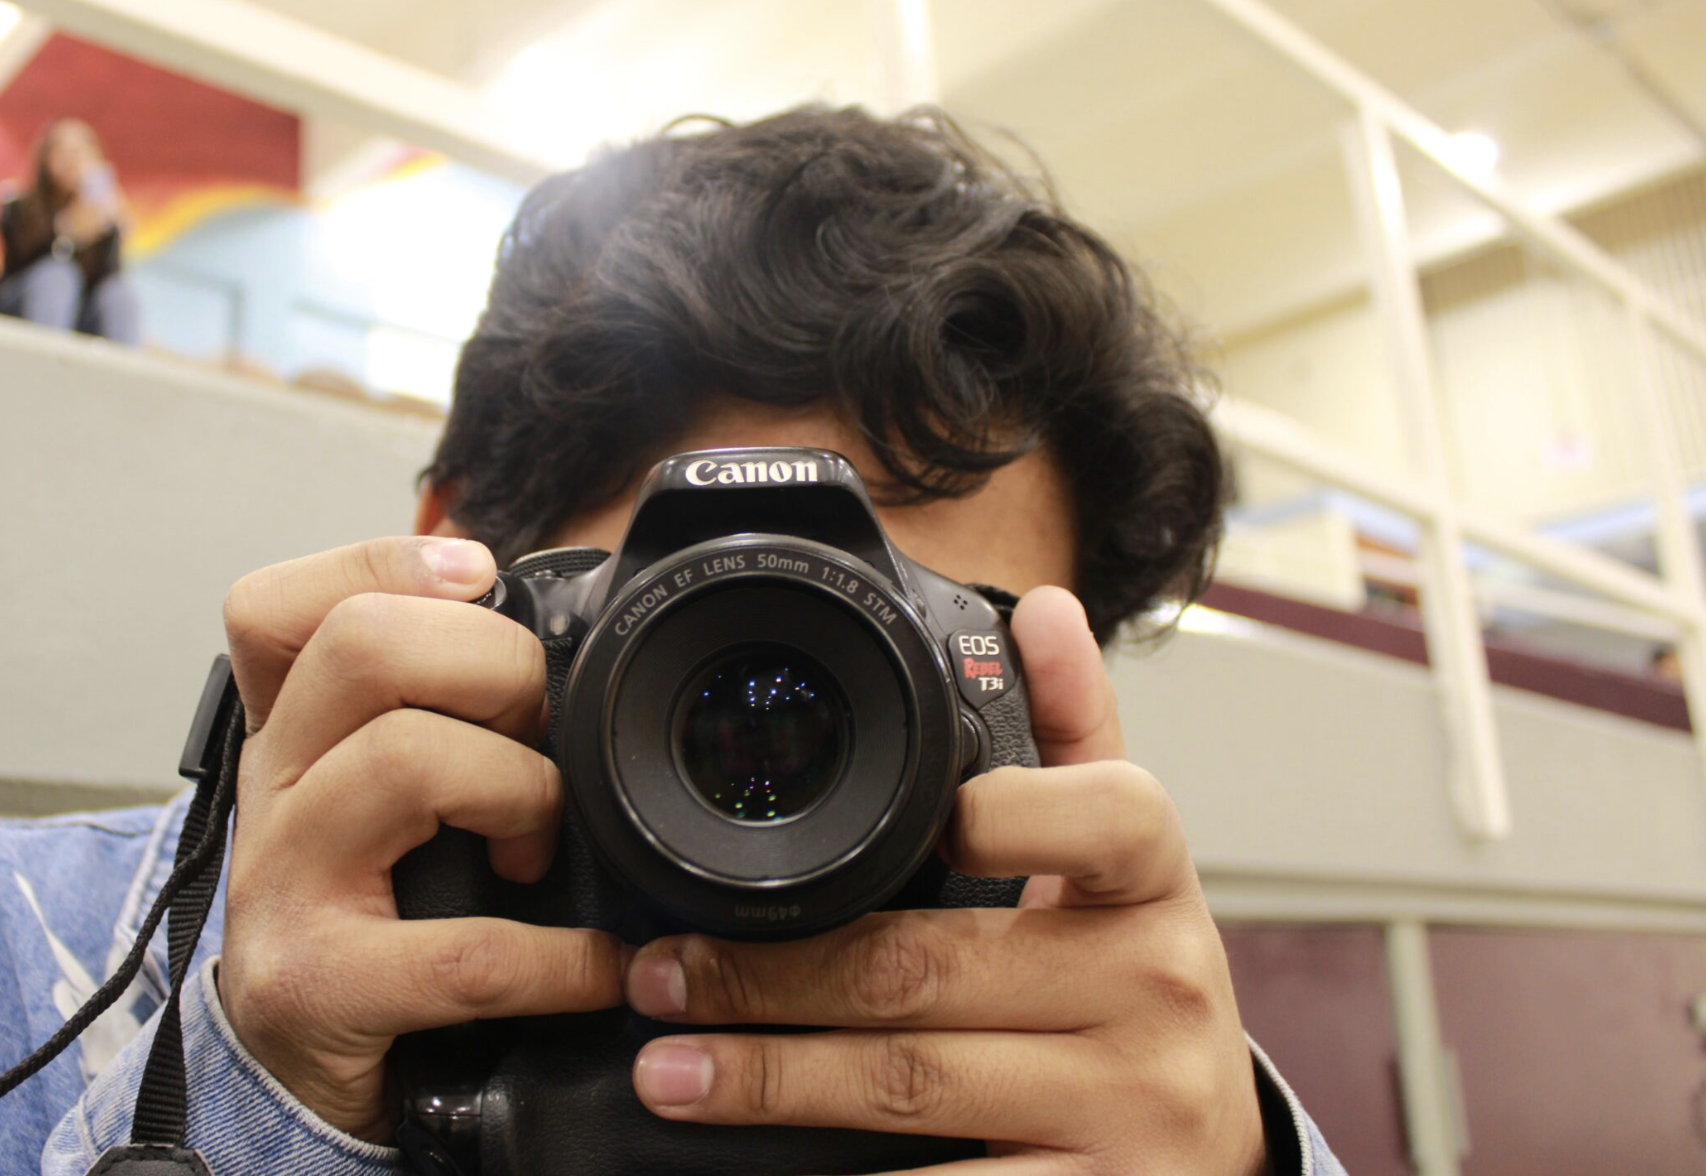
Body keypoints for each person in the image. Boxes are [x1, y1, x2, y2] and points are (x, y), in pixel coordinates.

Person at [0, 107, 1346, 1175]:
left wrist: (1233, 1159)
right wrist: (258, 1109)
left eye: (931, 652)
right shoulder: (27, 954)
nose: (786, 771)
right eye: (689, 620)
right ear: (449, 568)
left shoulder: (1098, 1072)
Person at [0, 119, 141, 346]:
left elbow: (107, 277)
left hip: (78, 317)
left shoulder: (102, 212)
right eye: (62, 150)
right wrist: (67, 233)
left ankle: (125, 376)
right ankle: (44, 366)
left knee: (119, 296)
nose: (72, 159)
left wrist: (113, 228)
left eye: (80, 150)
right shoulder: (20, 205)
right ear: (46, 158)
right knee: (57, 276)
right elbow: (23, 260)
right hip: (22, 306)